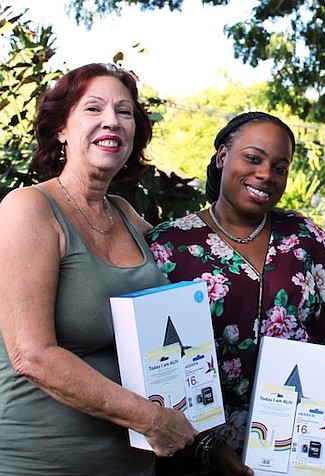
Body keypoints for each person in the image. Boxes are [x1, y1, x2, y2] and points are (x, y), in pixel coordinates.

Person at [0, 63, 197, 476]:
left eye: (125, 112)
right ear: (61, 130)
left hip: (132, 466)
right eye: (93, 108)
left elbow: (198, 259)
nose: (112, 120)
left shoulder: (125, 214)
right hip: (40, 463)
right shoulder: (28, 210)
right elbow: (32, 356)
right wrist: (151, 420)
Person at [146, 111, 325, 476]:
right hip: (195, 454)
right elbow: (156, 367)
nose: (265, 175)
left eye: (279, 167)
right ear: (223, 155)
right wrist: (208, 448)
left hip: (297, 449)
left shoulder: (306, 238)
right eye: (253, 158)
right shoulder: (168, 248)